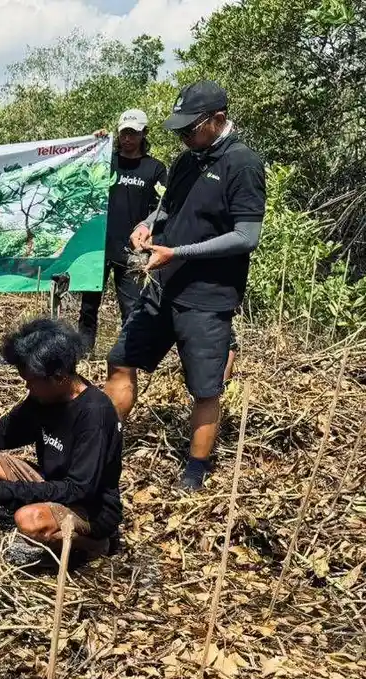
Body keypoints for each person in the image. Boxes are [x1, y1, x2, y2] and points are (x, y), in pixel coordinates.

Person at [106, 80, 265, 491]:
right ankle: (105, 442)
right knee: (121, 358)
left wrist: (180, 253)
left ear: (218, 120)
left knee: (205, 389)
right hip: (161, 286)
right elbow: (167, 210)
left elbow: (247, 236)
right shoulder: (185, 161)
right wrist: (146, 226)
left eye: (189, 129)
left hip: (207, 297)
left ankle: (194, 472)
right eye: (178, 131)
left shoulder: (243, 164)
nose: (183, 137)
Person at [0, 318, 121, 565]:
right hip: (51, 483)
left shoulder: (95, 413)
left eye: (31, 381)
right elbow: (4, 430)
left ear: (58, 377)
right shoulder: (43, 400)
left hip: (89, 506)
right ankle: (26, 519)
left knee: (29, 521)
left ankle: (95, 543)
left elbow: (79, 488)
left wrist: (0, 491)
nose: (27, 386)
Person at [78, 110, 168, 351]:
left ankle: (128, 356)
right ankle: (85, 354)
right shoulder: (106, 161)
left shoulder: (155, 169)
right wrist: (95, 143)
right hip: (97, 247)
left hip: (133, 250)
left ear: (143, 134)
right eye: (124, 133)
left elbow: (164, 207)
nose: (128, 138)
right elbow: (81, 171)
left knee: (131, 307)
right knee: (88, 307)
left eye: (133, 133)